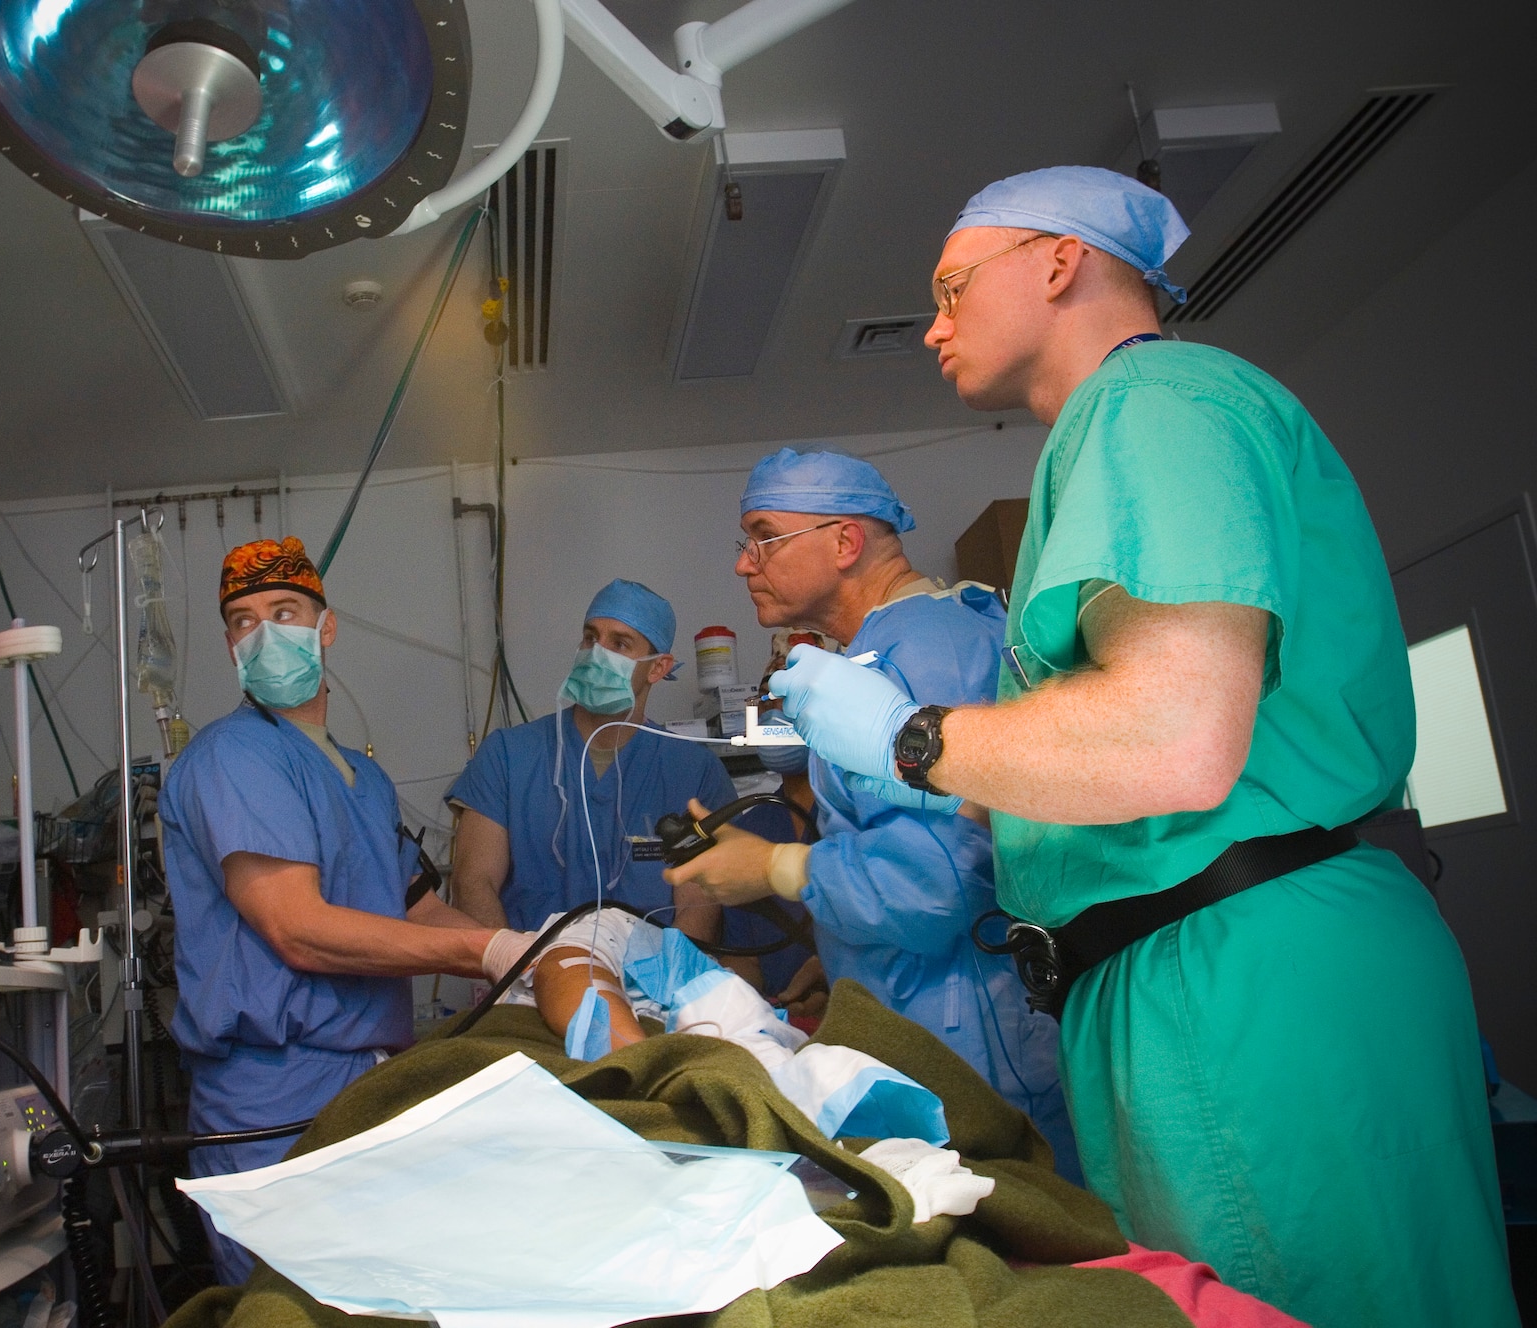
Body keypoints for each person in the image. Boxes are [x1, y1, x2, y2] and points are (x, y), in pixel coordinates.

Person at [767, 166, 1517, 1326]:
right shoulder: (1117, 435)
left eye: (953, 286)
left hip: (1236, 966)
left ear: (1058, 263)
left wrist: (909, 738)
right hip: (1191, 961)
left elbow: (1170, 737)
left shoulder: (1152, 402)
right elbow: (1124, 760)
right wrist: (963, 795)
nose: (930, 325)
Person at [664, 448, 1078, 1183]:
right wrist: (845, 956)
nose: (742, 564)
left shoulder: (920, 651)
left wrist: (774, 869)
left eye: (763, 536)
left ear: (845, 542)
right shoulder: (900, 647)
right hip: (943, 1015)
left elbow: (939, 882)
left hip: (972, 1053)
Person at [160, 537, 529, 1284]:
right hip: (273, 1092)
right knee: (295, 1302)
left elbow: (414, 905)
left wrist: (533, 949)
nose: (263, 633)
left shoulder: (361, 777)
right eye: (242, 619)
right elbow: (299, 930)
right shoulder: (233, 759)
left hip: (369, 1080)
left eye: (284, 611)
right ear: (229, 643)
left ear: (325, 627)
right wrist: (485, 956)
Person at [446, 579, 735, 941]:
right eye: (590, 637)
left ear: (658, 668)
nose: (598, 652)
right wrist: (513, 970)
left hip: (648, 984)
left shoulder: (693, 771)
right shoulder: (507, 756)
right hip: (526, 974)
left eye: (619, 643)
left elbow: (698, 905)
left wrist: (664, 982)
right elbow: (473, 881)